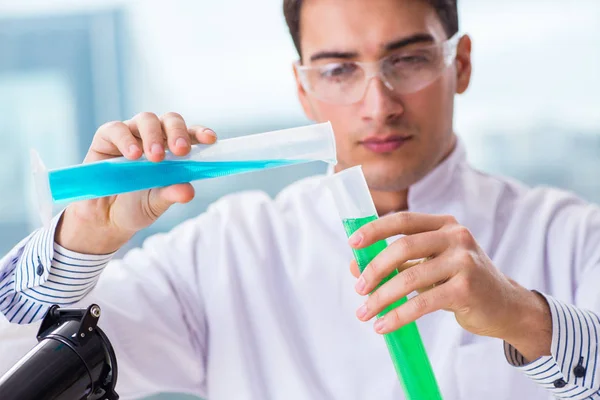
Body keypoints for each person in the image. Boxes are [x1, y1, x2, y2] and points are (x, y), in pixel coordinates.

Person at [1, 0, 599, 398]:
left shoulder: (570, 236)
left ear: (459, 63)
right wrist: (82, 240)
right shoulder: (225, 252)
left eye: (409, 59)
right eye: (339, 69)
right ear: (303, 89)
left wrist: (525, 318)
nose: (378, 103)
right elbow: (15, 365)